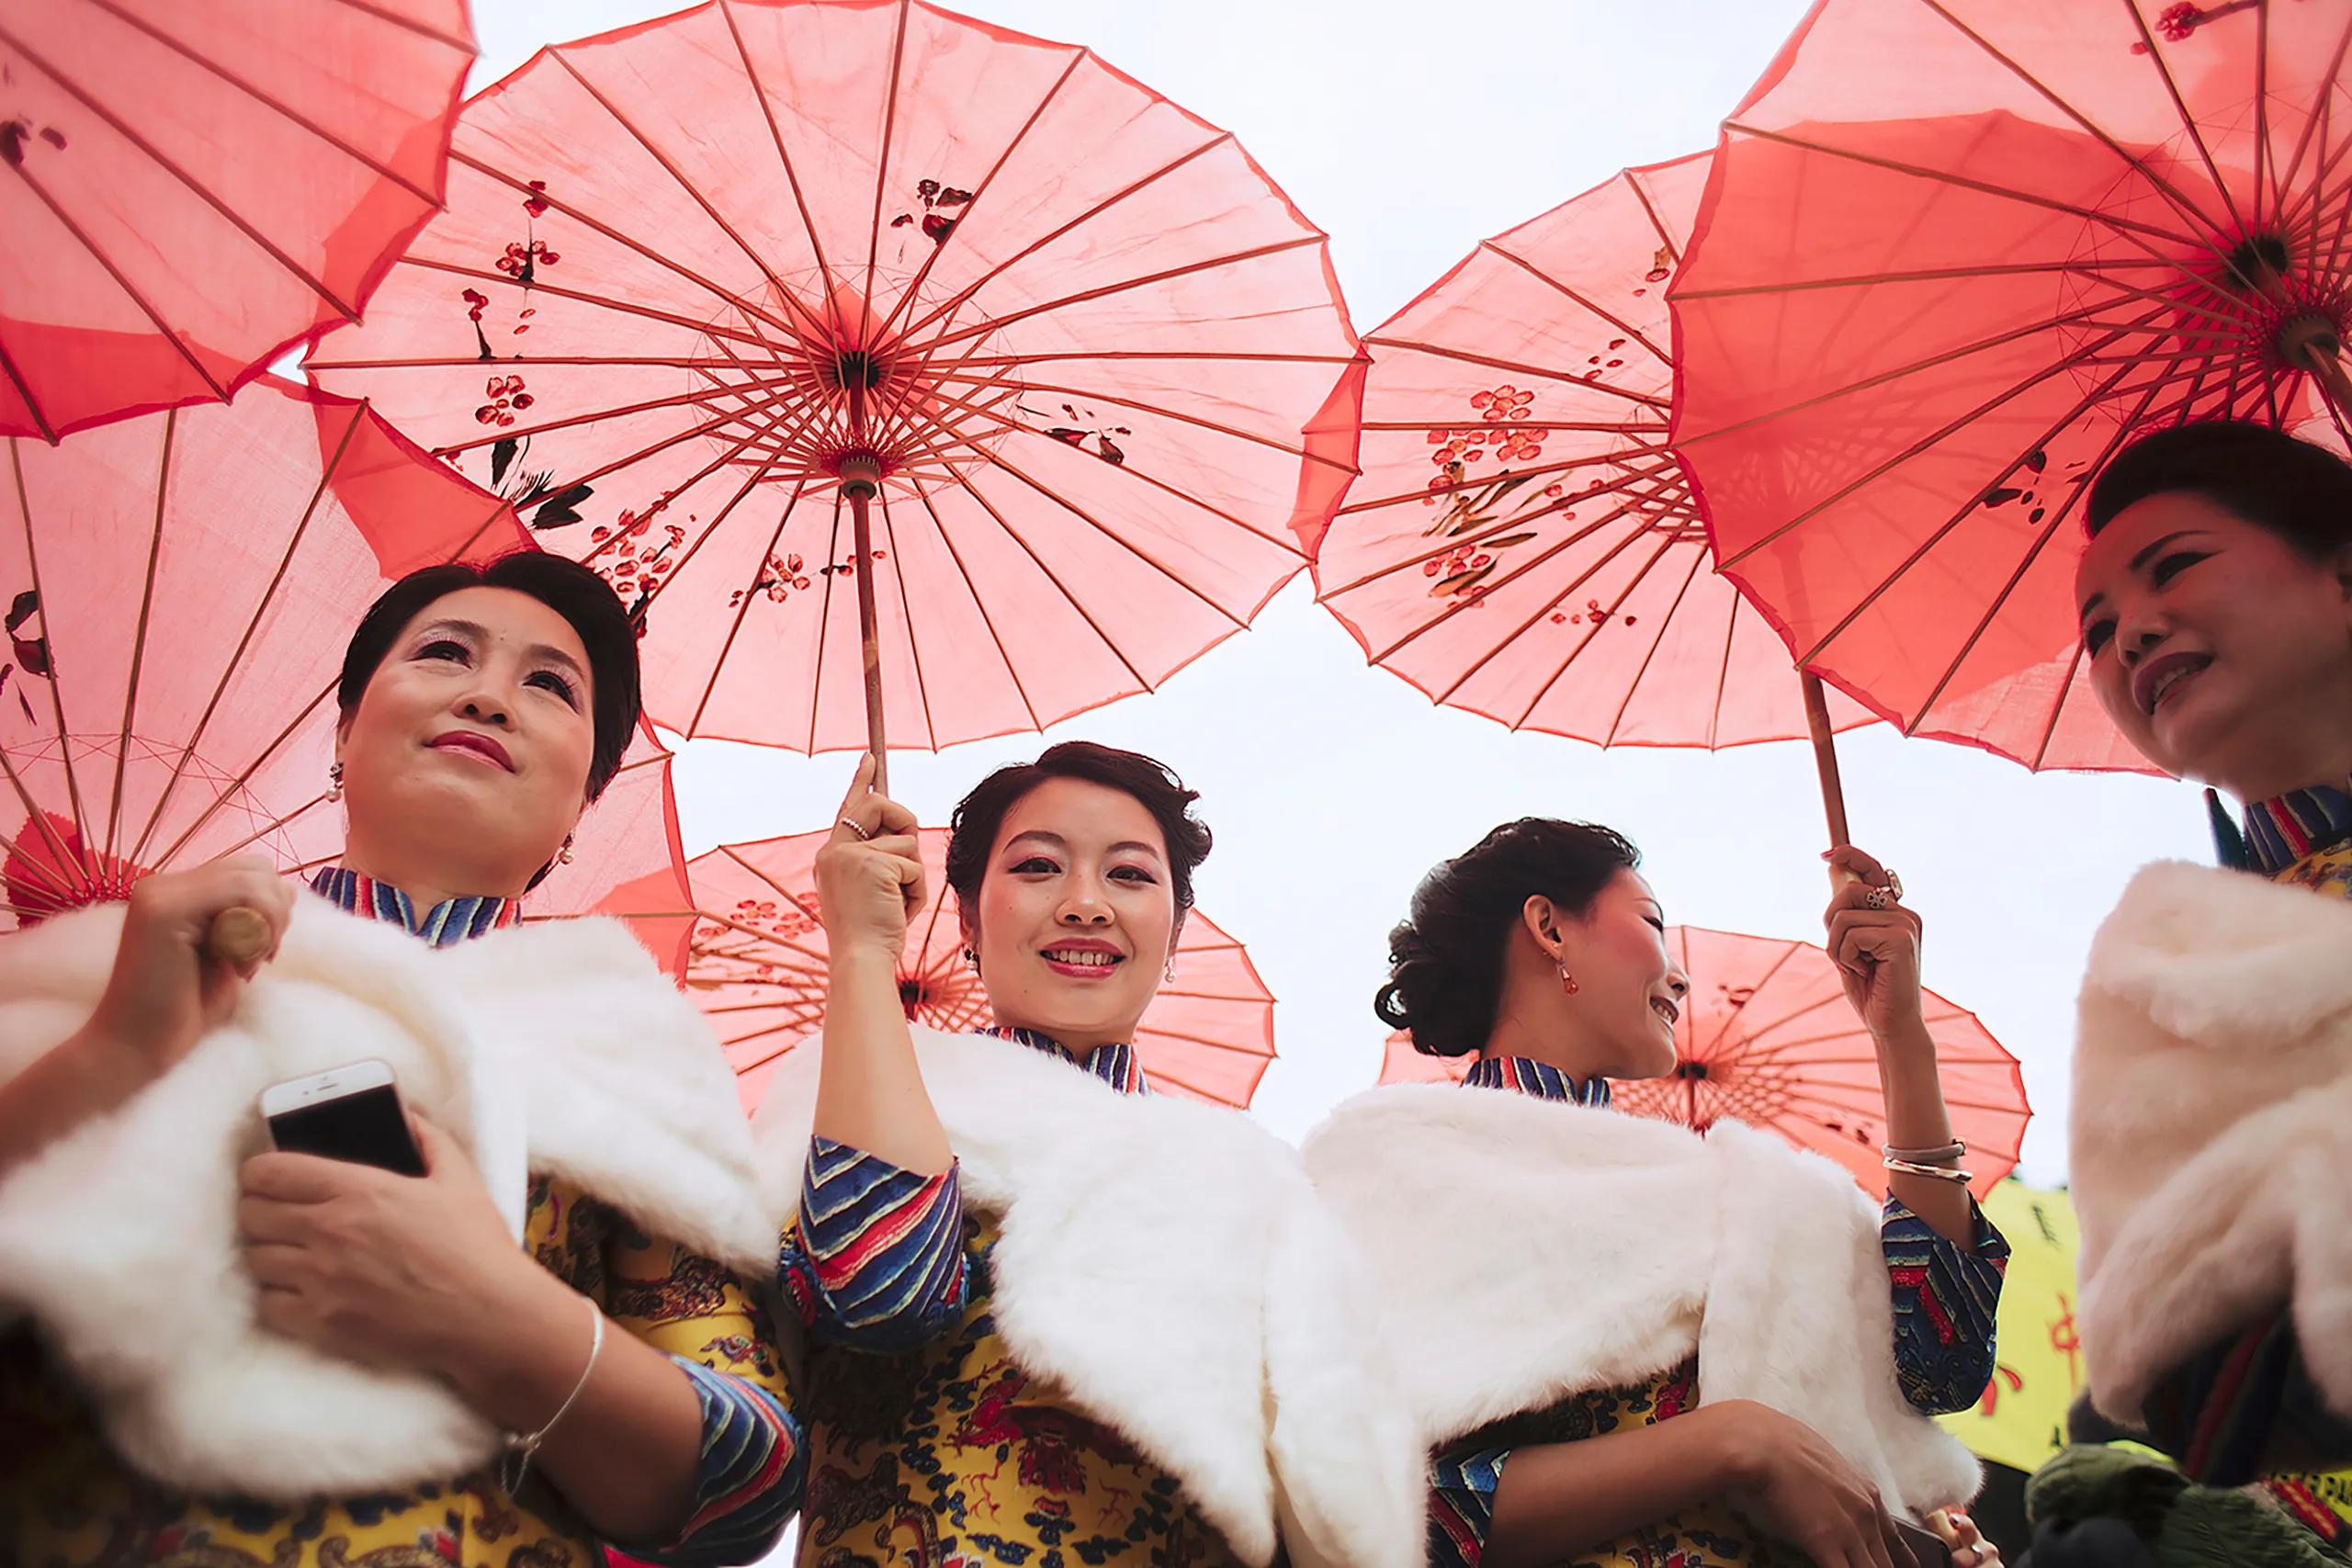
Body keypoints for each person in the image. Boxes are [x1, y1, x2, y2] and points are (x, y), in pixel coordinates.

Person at [0, 554, 801, 1567]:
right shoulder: (123, 964)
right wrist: (112, 1052)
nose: (486, 695)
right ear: (344, 731)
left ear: (581, 808)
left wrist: (491, 1314)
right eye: (443, 654)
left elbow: (742, 1489)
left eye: (549, 686)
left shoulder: (636, 1056)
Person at [750, 741, 1416, 1568]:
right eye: (1037, 867)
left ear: (1172, 933)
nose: (1085, 904)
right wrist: (861, 951)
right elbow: (880, 1293)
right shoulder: (859, 1091)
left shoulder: (1255, 1181)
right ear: (965, 919)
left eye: (1130, 875)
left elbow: (1327, 1484)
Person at [1298, 819, 2009, 1568]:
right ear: (1548, 927)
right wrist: (1732, 1441)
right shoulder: (1387, 1166)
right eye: (1650, 922)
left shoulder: (1750, 1195)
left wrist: (1901, 1037)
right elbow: (1390, 1511)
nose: (1680, 976)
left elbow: (1942, 1359)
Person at [2047, 418, 2352, 1560]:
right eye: (2095, 628)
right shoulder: (2155, 975)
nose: (2130, 629)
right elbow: (2181, 1371)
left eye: (2175, 567)